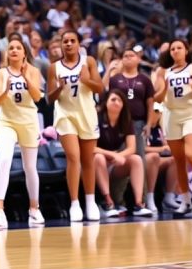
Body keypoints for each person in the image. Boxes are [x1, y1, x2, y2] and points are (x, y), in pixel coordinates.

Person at [47, 30, 104, 222]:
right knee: (73, 157)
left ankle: (90, 201)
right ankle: (74, 203)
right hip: (65, 114)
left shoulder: (89, 62)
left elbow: (100, 88)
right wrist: (59, 87)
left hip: (86, 113)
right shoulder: (54, 67)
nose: (69, 44)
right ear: (61, 45)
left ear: (79, 44)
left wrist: (86, 80)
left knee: (88, 160)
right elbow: (49, 99)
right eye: (65, 41)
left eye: (72, 41)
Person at [0, 34, 44, 228]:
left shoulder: (34, 71)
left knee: (30, 167)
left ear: (24, 53)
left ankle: (34, 209)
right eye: (11, 48)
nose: (14, 50)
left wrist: (25, 77)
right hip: (7, 122)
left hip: (28, 121)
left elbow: (37, 97)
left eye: (18, 48)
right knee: (5, 159)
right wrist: (6, 89)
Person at [154, 39, 192, 217]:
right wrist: (163, 89)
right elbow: (157, 99)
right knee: (179, 161)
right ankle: (186, 202)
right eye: (172, 49)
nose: (176, 51)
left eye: (179, 48)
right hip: (172, 117)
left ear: (186, 50)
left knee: (190, 154)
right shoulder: (163, 72)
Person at [104, 46, 157, 212]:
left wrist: (149, 123)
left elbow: (150, 103)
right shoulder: (115, 79)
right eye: (125, 55)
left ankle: (142, 201)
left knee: (139, 160)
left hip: (138, 123)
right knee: (121, 161)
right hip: (119, 123)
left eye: (131, 55)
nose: (128, 58)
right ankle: (118, 201)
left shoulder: (145, 79)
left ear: (138, 59)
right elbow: (105, 95)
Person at [94, 90, 154, 218]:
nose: (116, 102)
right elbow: (91, 148)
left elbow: (132, 148)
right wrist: (112, 154)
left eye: (120, 100)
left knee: (136, 159)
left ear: (123, 105)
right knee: (99, 157)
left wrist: (119, 155)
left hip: (113, 164)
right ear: (106, 103)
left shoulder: (126, 120)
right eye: (113, 99)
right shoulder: (96, 118)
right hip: (94, 164)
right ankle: (108, 202)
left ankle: (139, 204)